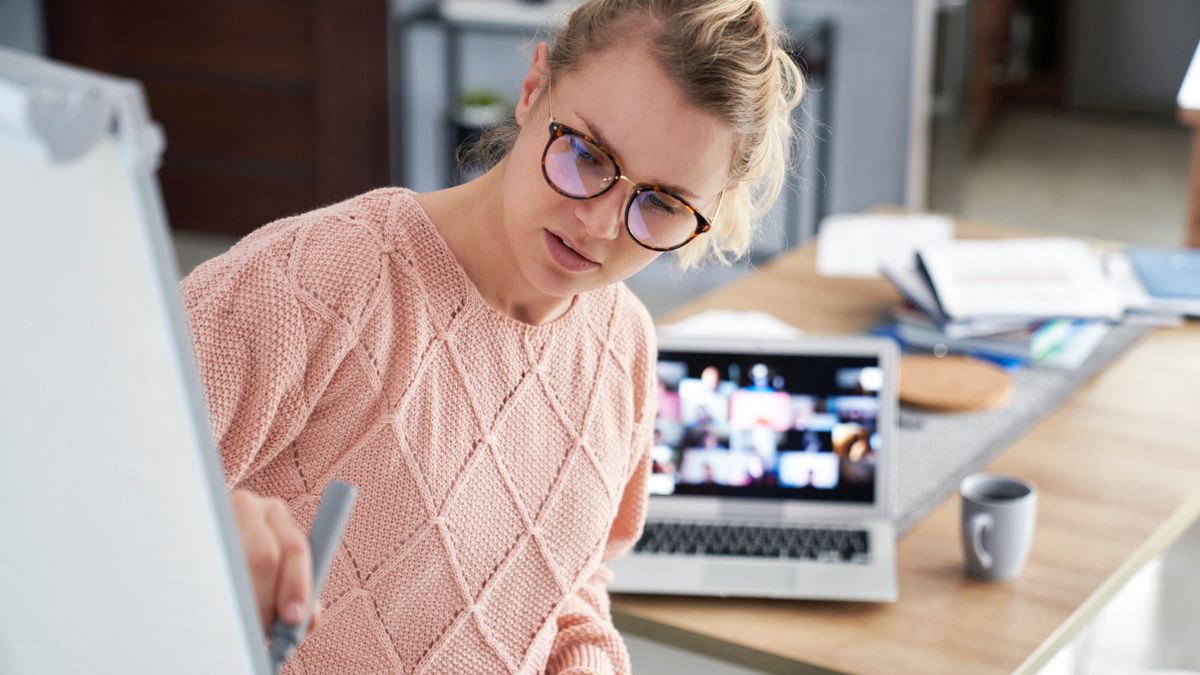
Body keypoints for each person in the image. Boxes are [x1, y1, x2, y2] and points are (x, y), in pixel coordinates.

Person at [181, 0, 802, 672]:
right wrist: (195, 544)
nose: (598, 224)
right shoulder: (311, 283)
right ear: (533, 89)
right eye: (587, 154)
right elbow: (104, 494)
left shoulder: (622, 345)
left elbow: (564, 587)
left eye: (661, 203)